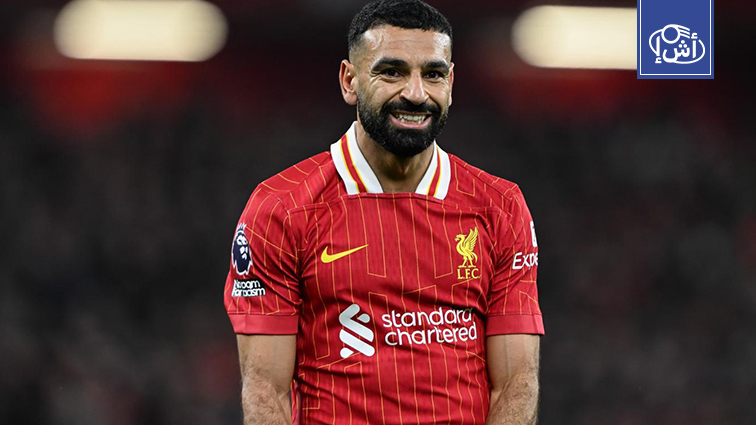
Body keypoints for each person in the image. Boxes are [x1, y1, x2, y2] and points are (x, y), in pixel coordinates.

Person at [223, 1, 543, 423]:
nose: (415, 93)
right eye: (392, 72)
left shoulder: (500, 206)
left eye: (433, 74)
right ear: (349, 81)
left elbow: (517, 383)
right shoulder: (281, 207)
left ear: (451, 83)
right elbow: (266, 389)